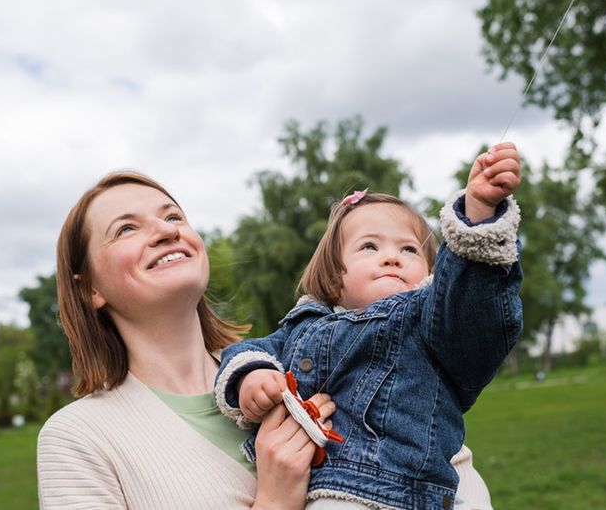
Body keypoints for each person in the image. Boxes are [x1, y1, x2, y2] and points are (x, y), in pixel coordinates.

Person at [36, 171, 494, 510]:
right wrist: (275, 499)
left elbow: (452, 467)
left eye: (173, 215)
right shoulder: (77, 439)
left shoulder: (308, 358)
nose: (166, 230)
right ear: (88, 288)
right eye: (127, 228)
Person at [215, 142, 523, 510]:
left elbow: (475, 317)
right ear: (334, 275)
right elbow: (248, 351)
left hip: (418, 493)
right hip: (335, 496)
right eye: (369, 247)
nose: (392, 257)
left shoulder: (430, 320)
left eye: (409, 250)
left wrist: (478, 216)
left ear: (431, 273)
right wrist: (253, 377)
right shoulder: (304, 326)